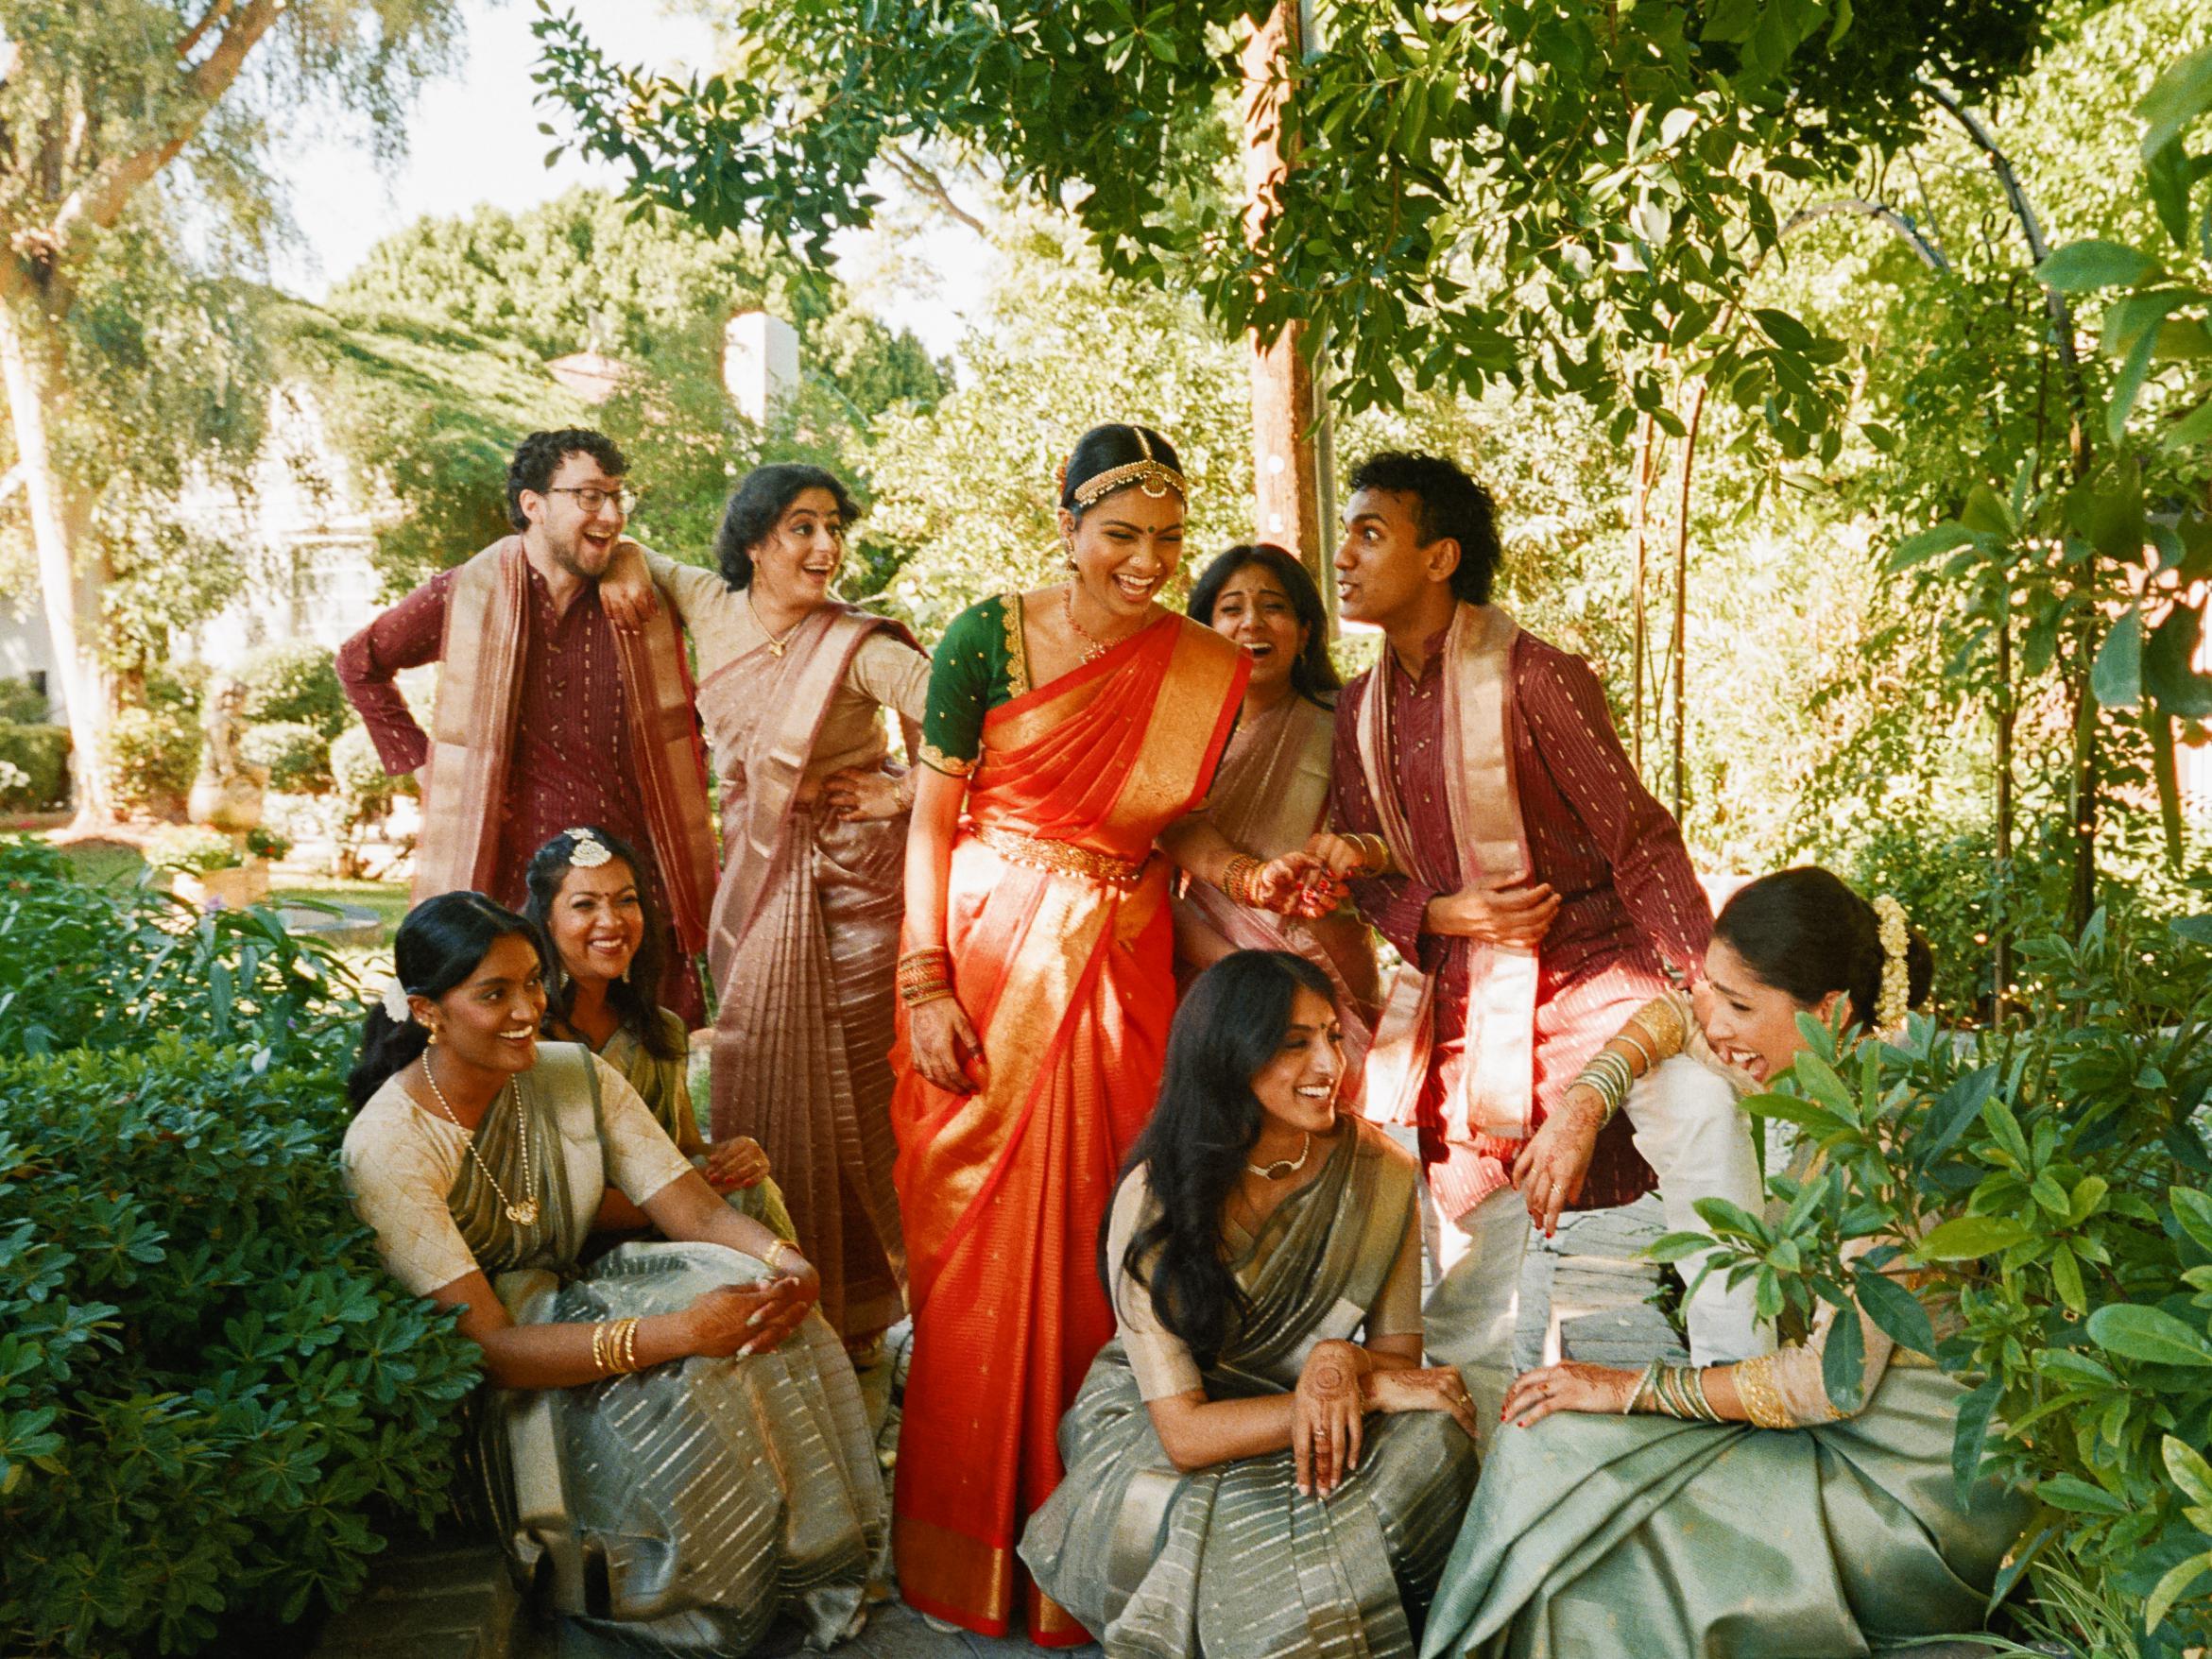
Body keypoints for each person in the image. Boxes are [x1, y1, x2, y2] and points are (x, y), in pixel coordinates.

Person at [890, 422, 1339, 1644]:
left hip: (1121, 968)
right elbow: (930, 820)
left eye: (1167, 538)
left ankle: (1093, 1547)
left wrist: (1247, 876)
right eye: (1121, 535)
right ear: (1068, 527)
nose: (1147, 561)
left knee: (1118, 1223)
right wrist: (923, 983)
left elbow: (1167, 826)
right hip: (989, 961)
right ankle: (964, 1541)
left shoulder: (1196, 665)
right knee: (974, 1254)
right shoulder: (984, 636)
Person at [1419, 868, 2032, 1658]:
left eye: (1740, 1006)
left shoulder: (1888, 1143)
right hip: (1836, 1433)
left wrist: (1627, 1388)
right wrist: (1581, 1106)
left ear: (1830, 1012)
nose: (1713, 1021)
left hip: (1904, 1494)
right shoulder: (1828, 1067)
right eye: (1714, 990)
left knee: (1582, 1502)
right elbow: (1672, 1015)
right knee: (1547, 1442)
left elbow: (1827, 1384)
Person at [1317, 450, 1764, 1429]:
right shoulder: (1356, 713)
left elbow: (1639, 842)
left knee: (1699, 1113)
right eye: (1346, 533)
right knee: (1473, 1263)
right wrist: (1440, 915)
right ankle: (1478, 1457)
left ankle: (1740, 1388)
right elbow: (1366, 879)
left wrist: (1707, 996)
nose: (1342, 554)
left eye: (1370, 533)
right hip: (1463, 1011)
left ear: (1439, 557)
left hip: (1599, 979)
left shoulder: (1536, 679)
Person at [339, 893, 883, 1652]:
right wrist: (682, 1333)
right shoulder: (389, 1146)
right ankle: (692, 1612)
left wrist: (788, 1267)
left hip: (574, 1298)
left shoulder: (570, 1075)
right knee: (694, 1371)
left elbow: (697, 1214)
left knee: (755, 1310)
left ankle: (790, 1577)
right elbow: (489, 1350)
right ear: (429, 1011)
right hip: (501, 1382)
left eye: (533, 982)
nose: (528, 1010)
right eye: (493, 994)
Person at [1020, 950, 1483, 1656]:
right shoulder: (1157, 1194)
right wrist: (1360, 1390)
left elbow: (1397, 1359)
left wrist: (1342, 1362)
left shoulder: (1380, 1172)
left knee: (1434, 1436)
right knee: (1237, 1523)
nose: (1329, 1064)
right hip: (1172, 1421)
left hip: (1322, 1409)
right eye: (1294, 1044)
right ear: (1227, 1056)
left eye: (1332, 1036)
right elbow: (1185, 1435)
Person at [599, 465, 928, 1346]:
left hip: (854, 890)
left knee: (861, 1093)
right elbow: (636, 552)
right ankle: (781, 1288)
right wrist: (625, 564)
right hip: (755, 876)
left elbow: (972, 717)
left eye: (833, 528)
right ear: (753, 542)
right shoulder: (710, 604)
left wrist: (902, 794)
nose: (826, 547)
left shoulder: (858, 647)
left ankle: (888, 1308)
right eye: (801, 528)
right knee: (760, 1071)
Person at [337, 428, 716, 1025]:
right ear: (533, 505)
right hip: (513, 886)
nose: (610, 515)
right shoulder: (470, 594)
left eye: (617, 497)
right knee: (519, 1049)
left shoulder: (636, 601)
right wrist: (423, 765)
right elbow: (359, 663)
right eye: (589, 496)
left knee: (651, 1051)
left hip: (632, 891)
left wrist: (633, 558)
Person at [520, 825, 796, 1245]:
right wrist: (694, 1194)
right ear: (547, 921)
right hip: (571, 1247)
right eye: (585, 905)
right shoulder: (526, 1039)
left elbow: (683, 1149)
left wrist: (734, 1156)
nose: (611, 921)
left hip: (677, 1221)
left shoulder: (659, 1029)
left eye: (626, 901)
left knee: (753, 1191)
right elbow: (550, 1201)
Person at [1178, 544, 1381, 1061]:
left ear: (1305, 630)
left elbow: (1397, 843)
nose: (1252, 622)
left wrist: (1351, 860)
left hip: (1322, 962)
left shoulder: (1348, 723)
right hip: (1203, 967)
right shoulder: (1173, 732)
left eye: (1273, 606)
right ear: (1205, 630)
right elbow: (1147, 871)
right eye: (1231, 608)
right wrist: (1237, 969)